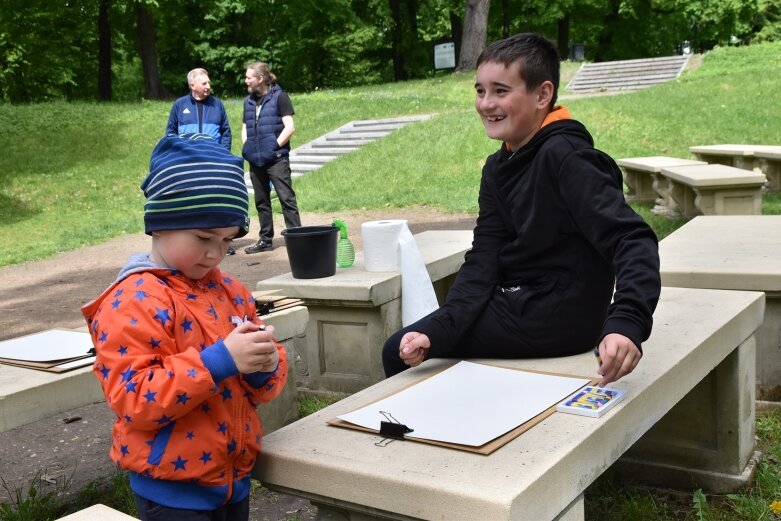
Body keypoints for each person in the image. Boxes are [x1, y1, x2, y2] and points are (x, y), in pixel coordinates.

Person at [382, 33, 661, 387]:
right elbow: (484, 256)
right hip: (520, 302)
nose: (486, 103)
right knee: (412, 345)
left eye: (500, 91)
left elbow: (632, 239)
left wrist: (626, 322)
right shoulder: (498, 166)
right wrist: (442, 326)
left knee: (396, 351)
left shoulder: (569, 158)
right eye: (480, 91)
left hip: (560, 316)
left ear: (542, 95)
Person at [82, 134, 288, 521]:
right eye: (203, 238)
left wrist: (265, 366)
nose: (215, 253)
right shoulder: (134, 299)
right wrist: (218, 362)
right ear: (159, 225)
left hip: (232, 479)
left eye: (227, 240)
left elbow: (263, 385)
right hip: (172, 492)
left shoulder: (230, 291)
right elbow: (133, 398)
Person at [166, 68, 237, 255]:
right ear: (192, 85)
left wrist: (221, 155)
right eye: (204, 83)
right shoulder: (179, 105)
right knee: (192, 202)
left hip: (214, 162)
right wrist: (179, 155)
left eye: (208, 82)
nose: (208, 86)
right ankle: (192, 241)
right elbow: (170, 133)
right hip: (188, 164)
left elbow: (226, 132)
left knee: (216, 201)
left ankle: (222, 242)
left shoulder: (217, 105)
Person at [241, 61, 301, 254]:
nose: (246, 81)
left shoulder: (280, 96)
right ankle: (265, 239)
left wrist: (273, 147)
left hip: (276, 158)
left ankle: (297, 238)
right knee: (261, 201)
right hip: (255, 160)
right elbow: (245, 128)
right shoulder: (248, 101)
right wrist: (247, 148)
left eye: (249, 77)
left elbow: (289, 127)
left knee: (286, 199)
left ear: (260, 79)